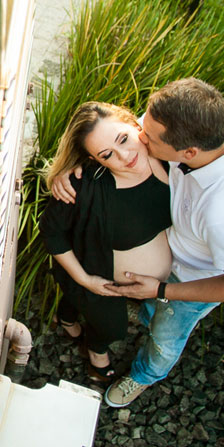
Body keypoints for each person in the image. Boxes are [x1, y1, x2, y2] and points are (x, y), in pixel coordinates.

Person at [50, 78, 224, 408]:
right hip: (170, 254)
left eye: (149, 139)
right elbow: (120, 134)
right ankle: (146, 313)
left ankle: (145, 375)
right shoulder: (201, 123)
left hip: (195, 278)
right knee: (149, 313)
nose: (141, 138)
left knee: (166, 336)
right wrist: (75, 163)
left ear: (188, 153)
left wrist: (161, 290)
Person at [40, 102, 172, 384]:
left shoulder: (168, 158)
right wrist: (85, 280)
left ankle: (66, 316)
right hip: (101, 280)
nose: (124, 156)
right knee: (112, 329)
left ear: (135, 125)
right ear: (94, 160)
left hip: (144, 286)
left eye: (123, 139)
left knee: (80, 306)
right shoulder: (83, 184)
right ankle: (95, 352)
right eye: (106, 154)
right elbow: (51, 231)